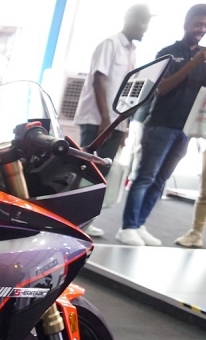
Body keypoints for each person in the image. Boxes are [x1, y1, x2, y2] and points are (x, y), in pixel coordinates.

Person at [120, 4, 206, 246]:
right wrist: (193, 63)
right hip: (160, 125)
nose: (201, 29)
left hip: (185, 130)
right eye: (197, 24)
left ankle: (140, 224)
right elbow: (162, 88)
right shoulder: (167, 53)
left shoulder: (204, 56)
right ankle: (127, 227)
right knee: (145, 177)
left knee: (161, 180)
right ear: (186, 24)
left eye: (204, 25)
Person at [73, 4, 151, 238]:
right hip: (98, 121)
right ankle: (73, 220)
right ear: (130, 20)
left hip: (115, 123)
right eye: (143, 22)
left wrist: (123, 127)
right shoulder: (110, 45)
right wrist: (106, 121)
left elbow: (127, 91)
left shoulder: (131, 52)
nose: (145, 28)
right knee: (87, 171)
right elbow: (99, 80)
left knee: (101, 174)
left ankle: (85, 221)